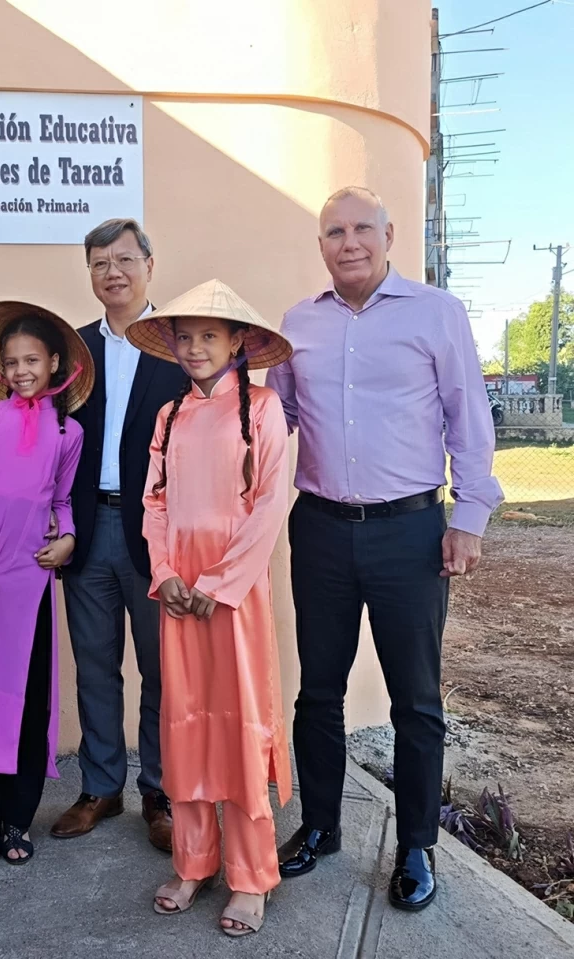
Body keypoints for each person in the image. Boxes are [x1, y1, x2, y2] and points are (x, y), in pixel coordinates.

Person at [267, 187, 503, 911]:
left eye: (361, 228)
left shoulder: (437, 313)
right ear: (321, 245)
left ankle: (416, 845)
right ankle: (320, 826)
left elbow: (468, 418)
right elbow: (275, 417)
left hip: (410, 532)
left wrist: (469, 516)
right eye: (334, 232)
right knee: (318, 690)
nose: (349, 243)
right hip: (320, 528)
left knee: (416, 700)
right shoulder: (297, 323)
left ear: (389, 235)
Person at [129, 279, 294, 938]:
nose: (195, 347)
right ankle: (193, 861)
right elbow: (154, 502)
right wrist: (166, 573)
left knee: (239, 726)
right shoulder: (169, 416)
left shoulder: (263, 410)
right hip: (179, 596)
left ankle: (251, 875)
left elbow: (269, 505)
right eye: (185, 336)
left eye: (209, 336)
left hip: (236, 596)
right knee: (186, 726)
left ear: (237, 343)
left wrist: (219, 583)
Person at [51, 218, 189, 848]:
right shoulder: (72, 350)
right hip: (87, 529)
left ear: (149, 266)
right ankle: (101, 787)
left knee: (162, 670)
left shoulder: (180, 347)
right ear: (90, 273)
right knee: (95, 665)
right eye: (100, 263)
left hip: (158, 533)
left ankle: (159, 791)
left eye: (125, 260)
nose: (113, 273)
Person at [0, 301, 92, 865]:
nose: (21, 370)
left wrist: (68, 538)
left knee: (27, 700)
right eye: (11, 362)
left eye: (32, 359)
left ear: (54, 363)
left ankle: (19, 818)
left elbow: (62, 501)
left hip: (30, 582)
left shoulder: (68, 431)